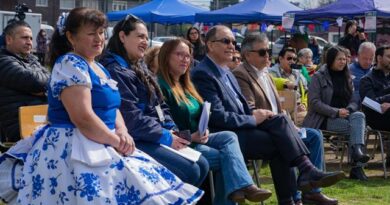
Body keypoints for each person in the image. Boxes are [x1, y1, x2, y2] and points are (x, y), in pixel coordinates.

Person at [2, 8, 203, 204]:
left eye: (101, 33)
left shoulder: (98, 67)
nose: (99, 38)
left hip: (102, 139)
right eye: (91, 34)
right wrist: (116, 140)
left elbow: (114, 106)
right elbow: (83, 118)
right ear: (71, 38)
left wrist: (122, 130)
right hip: (74, 147)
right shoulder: (70, 63)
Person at [191, 25, 344, 205]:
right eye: (226, 41)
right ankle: (298, 186)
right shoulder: (204, 73)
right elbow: (217, 117)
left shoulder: (226, 72)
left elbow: (242, 108)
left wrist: (256, 114)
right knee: (280, 139)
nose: (232, 45)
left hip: (243, 129)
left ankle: (300, 183)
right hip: (226, 136)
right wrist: (253, 118)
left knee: (282, 125)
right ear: (210, 45)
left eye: (233, 41)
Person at [157, 38, 272, 204]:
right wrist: (191, 137)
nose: (185, 59)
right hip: (180, 143)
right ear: (166, 56)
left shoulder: (186, 85)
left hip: (200, 138)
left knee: (229, 137)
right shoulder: (161, 86)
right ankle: (240, 188)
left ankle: (243, 186)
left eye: (188, 56)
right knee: (226, 160)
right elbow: (164, 123)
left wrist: (204, 130)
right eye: (179, 55)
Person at [99, 14, 209, 187]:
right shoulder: (115, 70)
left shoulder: (138, 65)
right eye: (140, 36)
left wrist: (171, 129)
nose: (145, 41)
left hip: (152, 134)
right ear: (122, 36)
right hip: (133, 139)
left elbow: (159, 105)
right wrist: (165, 136)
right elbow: (131, 117)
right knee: (191, 170)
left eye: (147, 37)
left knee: (202, 164)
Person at [233, 33, 338, 205]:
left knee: (314, 135)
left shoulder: (265, 74)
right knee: (283, 141)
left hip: (280, 125)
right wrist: (284, 123)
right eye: (262, 52)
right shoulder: (241, 74)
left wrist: (288, 122)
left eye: (268, 50)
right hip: (262, 129)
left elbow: (278, 107)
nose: (267, 55)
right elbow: (250, 110)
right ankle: (295, 196)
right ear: (247, 54)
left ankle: (312, 192)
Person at [303, 46, 370, 181]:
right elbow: (314, 102)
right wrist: (336, 111)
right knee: (357, 129)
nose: (343, 62)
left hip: (347, 116)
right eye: (339, 59)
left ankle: (357, 152)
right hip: (324, 118)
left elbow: (354, 99)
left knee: (359, 116)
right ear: (330, 60)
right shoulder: (318, 77)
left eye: (344, 59)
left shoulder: (347, 77)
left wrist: (349, 110)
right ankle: (357, 166)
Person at [0, 21, 50, 143]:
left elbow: (51, 80)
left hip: (39, 122)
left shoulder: (32, 60)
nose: (29, 42)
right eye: (24, 38)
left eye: (31, 38)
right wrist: (44, 89)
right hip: (20, 128)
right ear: (9, 39)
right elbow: (36, 82)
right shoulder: (3, 61)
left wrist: (42, 91)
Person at [359, 45, 390, 162]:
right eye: (389, 57)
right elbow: (371, 103)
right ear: (379, 58)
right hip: (376, 118)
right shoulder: (367, 79)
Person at [269, 47, 309, 125]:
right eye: (289, 58)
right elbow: (271, 82)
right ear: (280, 59)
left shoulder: (298, 75)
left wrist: (304, 104)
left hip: (298, 109)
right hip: (281, 109)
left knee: (313, 118)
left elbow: (306, 93)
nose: (292, 61)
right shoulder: (270, 73)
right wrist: (285, 83)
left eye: (294, 59)